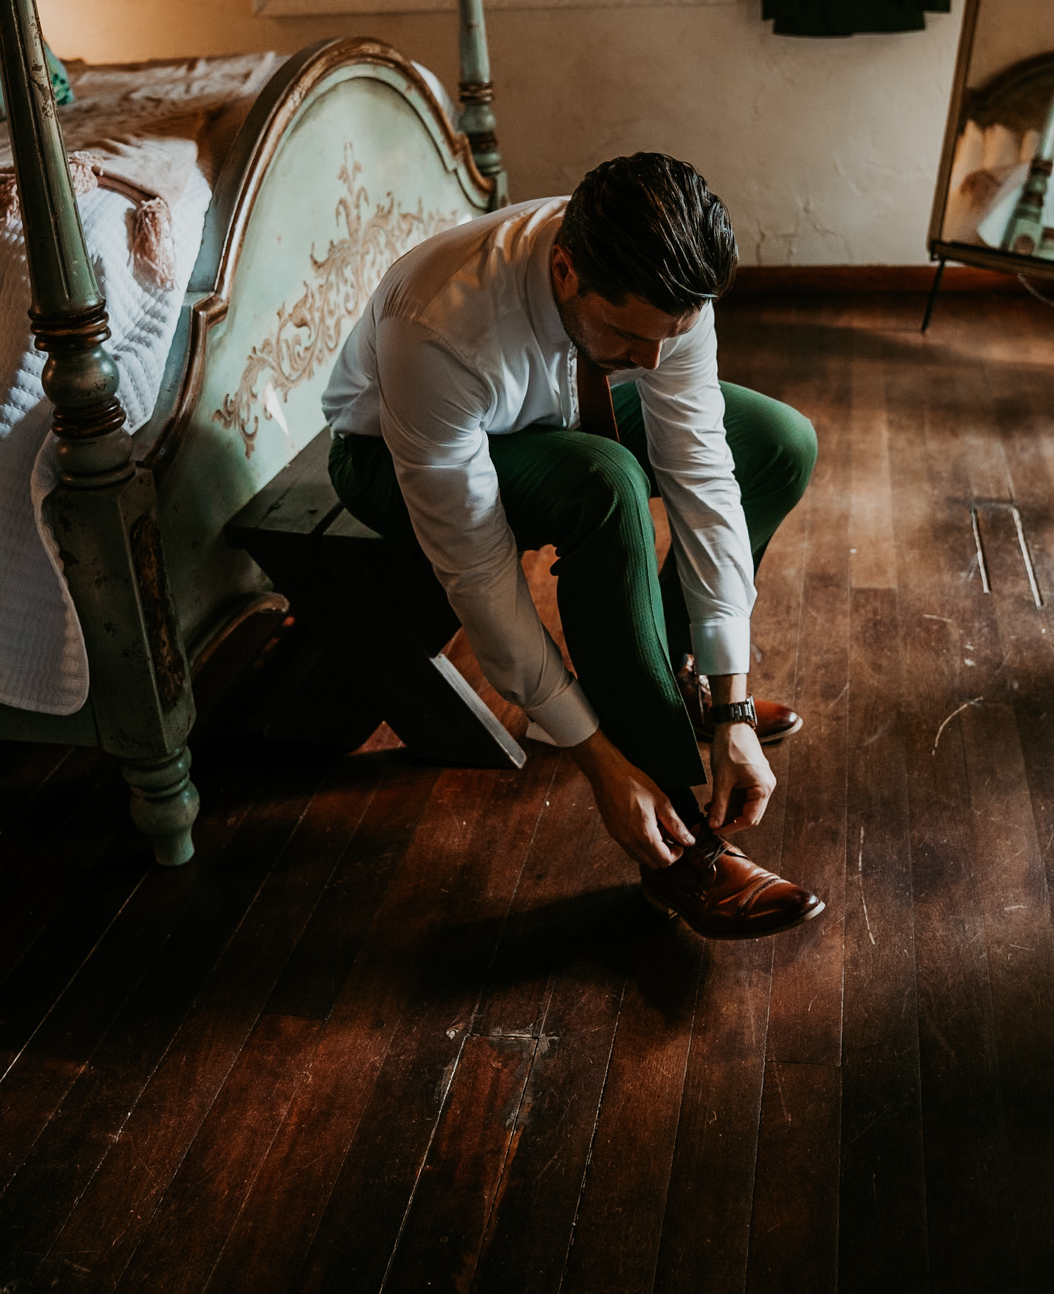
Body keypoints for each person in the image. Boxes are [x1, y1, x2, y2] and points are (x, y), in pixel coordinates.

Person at [322, 154, 824, 940]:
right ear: (564, 271)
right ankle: (679, 851)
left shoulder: (664, 279)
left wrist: (732, 703)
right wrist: (592, 752)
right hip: (390, 455)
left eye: (671, 338)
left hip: (548, 413)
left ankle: (675, 682)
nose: (655, 361)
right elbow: (477, 564)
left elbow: (703, 470)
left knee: (777, 441)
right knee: (606, 483)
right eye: (631, 335)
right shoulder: (437, 325)